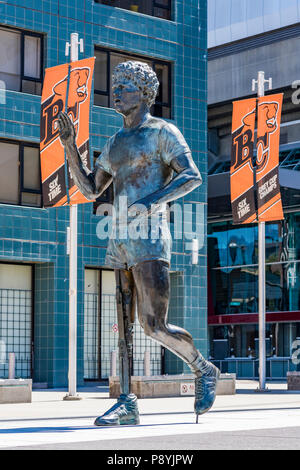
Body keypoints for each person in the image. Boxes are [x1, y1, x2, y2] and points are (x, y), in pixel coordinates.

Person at [58, 61, 220, 426]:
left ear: (146, 92)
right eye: (115, 85)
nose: (116, 91)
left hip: (150, 238)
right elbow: (89, 188)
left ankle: (203, 368)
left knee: (153, 324)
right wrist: (69, 146)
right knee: (124, 328)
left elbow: (192, 175)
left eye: (126, 85)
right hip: (119, 241)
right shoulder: (115, 142)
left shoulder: (163, 132)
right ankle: (127, 401)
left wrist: (151, 201)